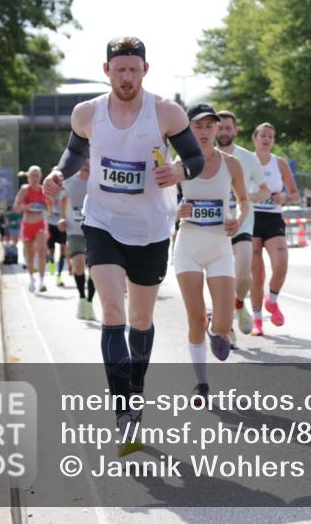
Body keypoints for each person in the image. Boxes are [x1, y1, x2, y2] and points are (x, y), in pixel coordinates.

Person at [42, 36, 206, 453]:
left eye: (134, 69)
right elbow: (73, 155)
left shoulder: (166, 112)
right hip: (102, 221)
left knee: (141, 318)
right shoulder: (87, 113)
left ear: (145, 70)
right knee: (113, 310)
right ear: (107, 71)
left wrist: (178, 171)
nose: (127, 76)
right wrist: (58, 175)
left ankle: (136, 387)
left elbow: (195, 159)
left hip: (152, 226)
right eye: (120, 70)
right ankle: (122, 410)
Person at [172, 103, 250, 404]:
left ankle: (217, 327)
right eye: (197, 126)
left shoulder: (231, 164)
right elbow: (162, 204)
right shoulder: (178, 164)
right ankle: (201, 385)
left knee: (221, 327)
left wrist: (238, 220)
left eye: (209, 126)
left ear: (217, 129)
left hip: (219, 247)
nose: (203, 131)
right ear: (188, 129)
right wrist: (176, 210)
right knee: (194, 320)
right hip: (188, 246)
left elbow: (244, 200)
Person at [215, 110, 271, 338]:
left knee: (244, 276)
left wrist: (247, 197)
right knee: (223, 279)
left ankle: (239, 304)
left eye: (229, 128)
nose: (224, 132)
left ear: (235, 130)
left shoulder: (248, 158)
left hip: (243, 224)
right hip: (214, 227)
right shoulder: (206, 156)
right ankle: (226, 326)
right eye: (220, 128)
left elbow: (265, 189)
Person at [249, 122, 299, 336]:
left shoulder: (279, 163)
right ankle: (257, 320)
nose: (267, 139)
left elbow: (295, 194)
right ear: (255, 138)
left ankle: (272, 300)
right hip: (250, 218)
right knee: (256, 273)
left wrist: (285, 197)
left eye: (271, 136)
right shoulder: (245, 161)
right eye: (263, 135)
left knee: (281, 264)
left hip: (273, 218)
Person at [61, 161, 94, 321]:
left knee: (94, 270)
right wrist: (61, 218)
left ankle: (89, 301)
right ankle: (81, 297)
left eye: (88, 160)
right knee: (79, 264)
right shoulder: (69, 181)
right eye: (83, 160)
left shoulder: (96, 180)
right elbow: (63, 200)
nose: (85, 163)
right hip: (74, 229)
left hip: (95, 230)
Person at [13, 166, 50, 292]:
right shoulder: (25, 190)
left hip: (40, 224)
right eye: (32, 175)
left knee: (41, 251)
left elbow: (49, 206)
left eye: (37, 175)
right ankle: (31, 279)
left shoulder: (43, 190)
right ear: (28, 176)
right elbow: (16, 207)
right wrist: (26, 206)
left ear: (40, 177)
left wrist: (48, 208)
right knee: (30, 255)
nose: (35, 178)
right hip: (28, 225)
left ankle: (41, 282)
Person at [46, 189, 67, 287]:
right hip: (51, 225)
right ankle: (51, 265)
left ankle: (59, 275)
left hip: (62, 225)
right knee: (52, 252)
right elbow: (41, 207)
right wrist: (47, 211)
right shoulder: (47, 191)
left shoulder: (65, 191)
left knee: (63, 249)